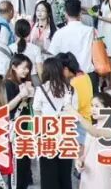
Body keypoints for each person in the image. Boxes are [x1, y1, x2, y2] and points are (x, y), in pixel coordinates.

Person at [33, 57, 75, 189]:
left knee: (48, 173)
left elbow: (37, 112)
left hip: (47, 134)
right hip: (65, 134)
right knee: (65, 173)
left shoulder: (41, 90)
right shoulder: (70, 89)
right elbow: (74, 111)